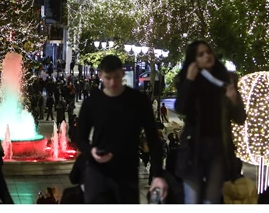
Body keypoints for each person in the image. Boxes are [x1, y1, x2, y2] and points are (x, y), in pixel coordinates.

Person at [77, 55, 167, 204]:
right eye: (108, 78)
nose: (113, 83)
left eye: (117, 77)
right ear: (100, 75)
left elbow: (153, 138)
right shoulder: (92, 102)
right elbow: (80, 139)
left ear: (123, 73)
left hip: (127, 172)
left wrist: (157, 175)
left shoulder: (138, 100)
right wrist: (91, 152)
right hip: (98, 172)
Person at [174, 41, 246, 204]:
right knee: (192, 200)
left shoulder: (227, 81)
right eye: (201, 54)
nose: (207, 56)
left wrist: (234, 99)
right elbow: (181, 107)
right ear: (194, 61)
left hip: (218, 148)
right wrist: (189, 80)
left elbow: (240, 119)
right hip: (194, 148)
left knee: (211, 201)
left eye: (208, 52)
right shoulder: (187, 81)